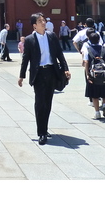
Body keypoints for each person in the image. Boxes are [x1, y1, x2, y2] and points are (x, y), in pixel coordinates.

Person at [18, 13, 71, 145]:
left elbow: (59, 53)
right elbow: (26, 59)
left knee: (48, 102)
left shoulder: (51, 36)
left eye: (44, 20)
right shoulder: (30, 39)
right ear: (34, 25)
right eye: (40, 21)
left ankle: (45, 128)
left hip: (51, 71)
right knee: (39, 103)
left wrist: (65, 68)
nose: (43, 22)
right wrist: (21, 76)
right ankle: (41, 132)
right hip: (39, 73)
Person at [82, 31, 105, 120]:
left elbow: (86, 62)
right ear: (99, 39)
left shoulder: (88, 50)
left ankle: (97, 112)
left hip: (94, 74)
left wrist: (87, 74)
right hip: (104, 73)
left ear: (89, 40)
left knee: (94, 94)